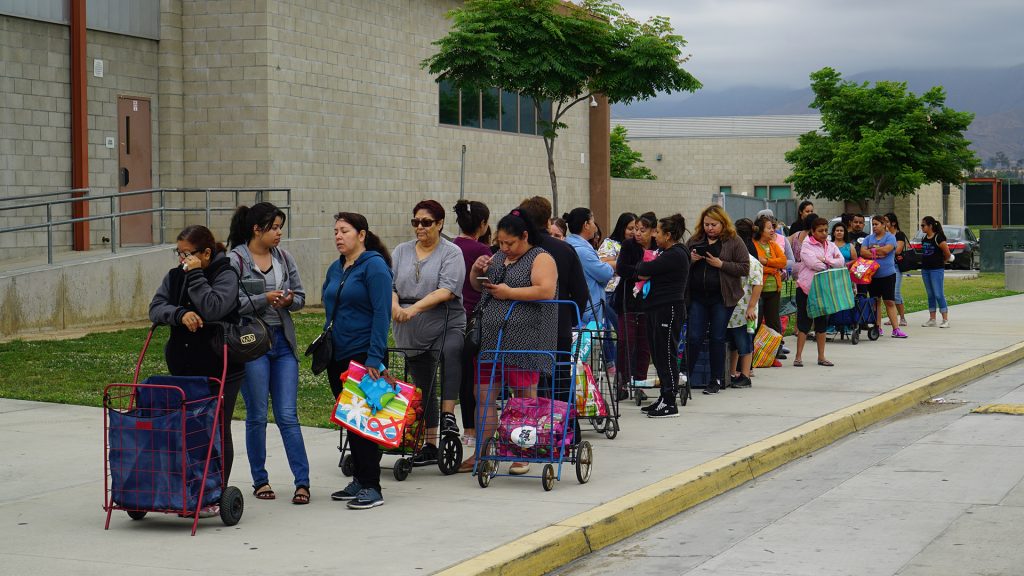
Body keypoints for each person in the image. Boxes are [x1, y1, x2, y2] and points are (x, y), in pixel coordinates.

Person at [149, 225, 245, 514]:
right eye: (179, 253)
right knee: (187, 427)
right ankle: (187, 488)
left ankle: (215, 492)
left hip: (221, 365)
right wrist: (179, 314)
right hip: (183, 364)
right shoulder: (175, 274)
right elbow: (155, 307)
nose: (182, 260)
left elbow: (214, 307)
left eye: (187, 254)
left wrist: (196, 275)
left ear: (206, 253)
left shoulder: (226, 274)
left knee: (216, 427)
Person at [227, 203, 310, 505]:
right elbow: (230, 304)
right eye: (273, 227)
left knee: (288, 414)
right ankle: (260, 480)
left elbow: (301, 296)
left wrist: (288, 301)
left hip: (282, 343)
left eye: (280, 227)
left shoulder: (284, 258)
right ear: (256, 230)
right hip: (252, 345)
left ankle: (303, 482)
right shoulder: (235, 260)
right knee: (257, 415)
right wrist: (263, 299)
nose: (279, 233)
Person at [469, 209, 558, 475]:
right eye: (501, 242)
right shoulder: (497, 257)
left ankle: (523, 452)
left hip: (525, 338)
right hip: (491, 339)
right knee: (483, 395)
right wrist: (477, 270)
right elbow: (478, 287)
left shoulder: (540, 257)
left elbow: (545, 290)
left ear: (525, 236)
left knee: (523, 396)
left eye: (510, 243)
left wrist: (509, 293)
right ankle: (482, 452)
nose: (505, 248)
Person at [391, 200, 467, 467]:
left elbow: (447, 289)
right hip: (409, 327)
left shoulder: (451, 252)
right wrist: (396, 306)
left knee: (450, 351)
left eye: (426, 222)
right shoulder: (401, 251)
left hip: (445, 320)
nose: (419, 227)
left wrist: (414, 310)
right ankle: (431, 442)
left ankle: (448, 415)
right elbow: (390, 285)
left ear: (440, 224)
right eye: (416, 222)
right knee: (424, 384)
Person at [326, 213, 393, 510]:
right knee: (351, 421)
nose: (339, 236)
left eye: (345, 231)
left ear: (361, 234)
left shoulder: (375, 266)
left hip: (364, 356)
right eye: (336, 231)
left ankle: (372, 486)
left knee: (365, 422)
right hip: (337, 355)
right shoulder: (336, 267)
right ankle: (360, 479)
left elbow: (382, 314)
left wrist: (374, 358)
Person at [685, 205, 750, 395]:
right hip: (698, 297)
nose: (710, 228)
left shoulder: (734, 241)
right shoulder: (695, 240)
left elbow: (744, 267)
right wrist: (691, 259)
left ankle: (715, 380)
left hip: (722, 298)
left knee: (717, 337)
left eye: (714, 224)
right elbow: (680, 262)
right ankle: (684, 377)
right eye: (706, 224)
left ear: (723, 223)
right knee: (694, 337)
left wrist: (721, 264)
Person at [635, 214, 690, 418]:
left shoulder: (675, 254)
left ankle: (669, 401)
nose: (654, 235)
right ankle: (663, 395)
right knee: (657, 354)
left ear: (668, 235)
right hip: (656, 308)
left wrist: (645, 269)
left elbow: (643, 269)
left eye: (658, 231)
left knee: (666, 354)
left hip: (669, 308)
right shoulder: (665, 252)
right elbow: (643, 270)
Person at [451, 199, 490, 471]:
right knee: (478, 381)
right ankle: (479, 438)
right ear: (483, 224)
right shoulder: (484, 252)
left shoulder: (450, 248)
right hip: (476, 320)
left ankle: (469, 434)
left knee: (462, 379)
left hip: (451, 318)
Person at [794, 218, 846, 367]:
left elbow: (841, 261)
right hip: (806, 288)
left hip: (823, 290)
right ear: (813, 231)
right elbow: (814, 265)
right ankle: (798, 357)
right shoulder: (806, 245)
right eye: (820, 231)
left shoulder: (830, 245)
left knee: (821, 324)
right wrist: (829, 262)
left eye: (826, 230)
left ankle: (821, 357)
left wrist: (824, 259)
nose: (824, 233)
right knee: (804, 323)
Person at [616, 212, 656, 391]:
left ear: (653, 232)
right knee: (626, 340)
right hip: (628, 300)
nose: (637, 233)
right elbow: (622, 268)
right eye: (635, 229)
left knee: (645, 342)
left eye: (642, 230)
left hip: (649, 301)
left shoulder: (657, 247)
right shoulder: (628, 245)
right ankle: (622, 381)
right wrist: (641, 273)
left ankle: (640, 381)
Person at [599, 212, 638, 385]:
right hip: (609, 292)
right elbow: (602, 264)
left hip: (628, 292)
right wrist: (624, 264)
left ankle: (622, 368)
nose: (633, 232)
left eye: (636, 229)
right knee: (616, 331)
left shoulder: (635, 245)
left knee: (624, 333)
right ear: (621, 227)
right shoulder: (610, 243)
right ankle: (614, 366)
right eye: (630, 228)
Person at [727, 219, 763, 389]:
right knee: (732, 344)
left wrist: (751, 306)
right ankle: (732, 372)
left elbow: (758, 283)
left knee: (744, 343)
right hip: (731, 310)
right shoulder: (732, 258)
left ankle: (746, 375)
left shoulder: (751, 261)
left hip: (745, 311)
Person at [563, 207, 615, 326]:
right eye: (592, 222)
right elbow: (605, 274)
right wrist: (609, 265)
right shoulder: (582, 251)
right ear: (586, 225)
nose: (595, 227)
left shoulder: (570, 244)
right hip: (588, 310)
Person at [860, 215, 906, 338]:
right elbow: (862, 252)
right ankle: (877, 327)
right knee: (875, 302)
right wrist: (876, 252)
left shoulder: (890, 237)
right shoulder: (868, 238)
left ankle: (896, 329)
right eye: (873, 224)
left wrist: (872, 251)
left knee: (889, 301)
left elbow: (887, 250)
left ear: (883, 224)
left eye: (877, 224)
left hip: (888, 275)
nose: (874, 227)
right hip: (873, 276)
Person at [753, 214, 786, 345]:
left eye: (772, 227)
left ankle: (775, 353)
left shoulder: (773, 245)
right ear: (760, 230)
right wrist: (773, 269)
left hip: (774, 290)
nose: (772, 230)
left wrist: (766, 261)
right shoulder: (754, 245)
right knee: (756, 321)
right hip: (759, 290)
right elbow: (756, 266)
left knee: (774, 323)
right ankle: (754, 353)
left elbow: (783, 262)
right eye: (768, 228)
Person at [919, 216, 953, 328]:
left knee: (938, 293)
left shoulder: (939, 238)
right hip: (925, 269)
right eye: (921, 225)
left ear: (930, 226)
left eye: (923, 225)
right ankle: (932, 319)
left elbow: (947, 253)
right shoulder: (924, 238)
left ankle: (945, 319)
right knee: (930, 294)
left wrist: (943, 261)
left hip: (936, 269)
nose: (922, 227)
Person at [885, 212, 909, 327]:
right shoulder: (883, 235)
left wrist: (883, 249)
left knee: (896, 292)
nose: (884, 223)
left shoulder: (899, 234)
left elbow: (898, 250)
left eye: (887, 221)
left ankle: (902, 317)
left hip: (895, 266)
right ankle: (892, 317)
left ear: (893, 223)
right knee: (888, 294)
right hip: (885, 265)